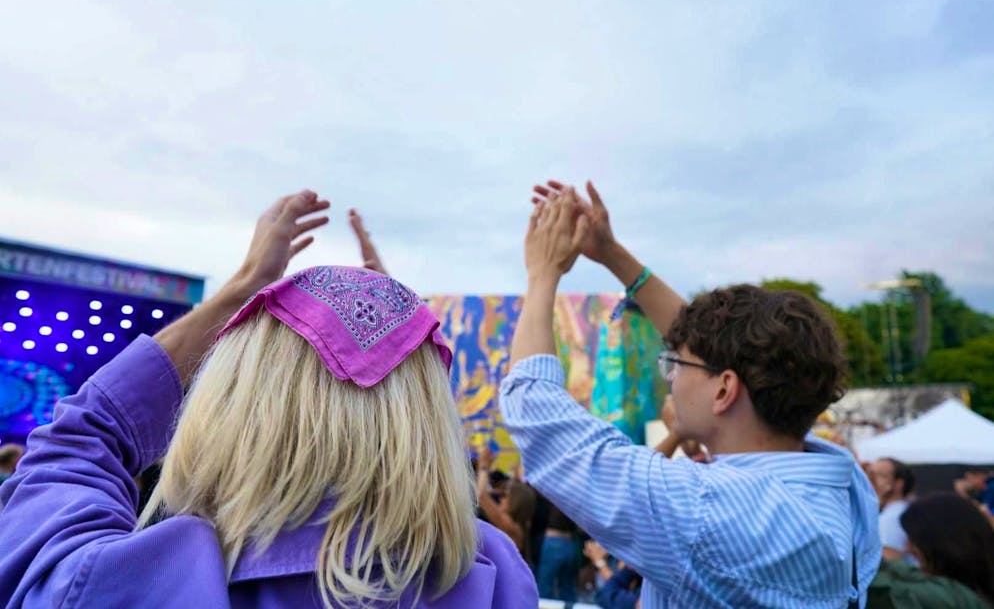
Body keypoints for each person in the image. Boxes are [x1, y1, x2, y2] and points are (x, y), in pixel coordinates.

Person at [0, 190, 537, 608]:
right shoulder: (494, 580)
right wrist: (400, 336)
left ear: (225, 406)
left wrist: (245, 286)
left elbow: (82, 439)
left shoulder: (127, 579)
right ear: (426, 420)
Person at [500, 182, 881, 607]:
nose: (671, 379)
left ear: (725, 390)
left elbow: (535, 407)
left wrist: (541, 274)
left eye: (675, 365)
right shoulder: (843, 484)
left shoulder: (706, 511)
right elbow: (717, 350)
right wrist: (611, 253)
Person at [868, 493, 994, 608]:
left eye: (914, 542)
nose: (907, 549)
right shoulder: (974, 591)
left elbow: (887, 589)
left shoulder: (950, 599)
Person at [475, 447, 537, 563]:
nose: (501, 498)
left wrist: (484, 466)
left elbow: (482, 496)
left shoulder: (510, 525)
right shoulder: (519, 526)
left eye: (506, 495)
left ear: (516, 503)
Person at [867, 457, 915, 562]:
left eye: (880, 475)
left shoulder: (891, 518)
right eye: (870, 474)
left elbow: (891, 565)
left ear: (898, 484)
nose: (871, 480)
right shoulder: (903, 511)